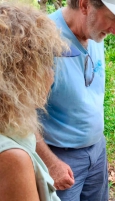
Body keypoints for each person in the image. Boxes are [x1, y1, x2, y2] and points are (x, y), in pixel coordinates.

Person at [36, 0, 115, 201]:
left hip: (97, 149)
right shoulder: (42, 40)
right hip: (60, 156)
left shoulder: (93, 33)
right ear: (84, 5)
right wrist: (50, 162)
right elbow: (21, 114)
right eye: (110, 18)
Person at [0, 2, 67, 201]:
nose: (52, 74)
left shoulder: (12, 123)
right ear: (17, 73)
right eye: (45, 63)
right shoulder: (12, 158)